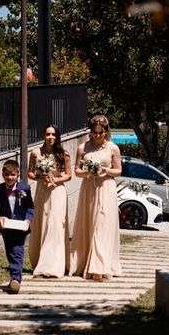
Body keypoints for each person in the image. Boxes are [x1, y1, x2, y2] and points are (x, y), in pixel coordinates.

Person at [69, 115, 123, 280]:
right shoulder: (82, 148)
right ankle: (84, 262)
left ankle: (99, 266)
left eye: (101, 132)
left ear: (106, 132)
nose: (98, 136)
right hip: (89, 189)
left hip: (106, 187)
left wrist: (104, 170)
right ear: (90, 132)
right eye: (95, 132)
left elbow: (118, 171)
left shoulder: (113, 148)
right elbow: (76, 171)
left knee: (102, 224)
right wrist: (89, 173)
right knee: (89, 224)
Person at [28, 124, 71, 278]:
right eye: (48, 134)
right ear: (44, 135)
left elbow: (69, 175)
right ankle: (41, 261)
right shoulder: (35, 153)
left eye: (53, 134)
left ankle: (54, 265)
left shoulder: (63, 154)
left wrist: (55, 179)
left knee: (55, 225)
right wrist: (41, 177)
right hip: (42, 191)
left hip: (58, 192)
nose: (50, 137)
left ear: (57, 136)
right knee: (42, 224)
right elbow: (30, 173)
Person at [0, 159, 34, 294]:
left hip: (21, 226)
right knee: (10, 252)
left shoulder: (25, 188)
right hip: (7, 227)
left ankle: (15, 279)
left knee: (18, 251)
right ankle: (14, 277)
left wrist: (28, 220)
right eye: (7, 175)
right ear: (3, 175)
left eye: (13, 175)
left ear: (18, 175)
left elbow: (30, 207)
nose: (10, 177)